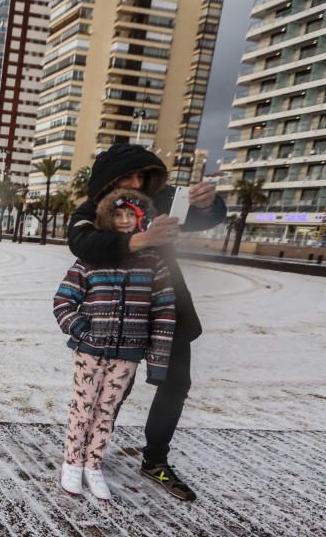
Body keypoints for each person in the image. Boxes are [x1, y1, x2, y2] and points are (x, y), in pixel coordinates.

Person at [67, 143, 226, 501]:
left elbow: (209, 216)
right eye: (127, 175)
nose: (136, 182)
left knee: (175, 384)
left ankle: (155, 460)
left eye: (141, 174)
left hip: (169, 312)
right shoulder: (92, 209)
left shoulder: (164, 199)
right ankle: (90, 455)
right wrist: (142, 239)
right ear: (107, 181)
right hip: (116, 316)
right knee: (110, 391)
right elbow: (81, 241)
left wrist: (206, 203)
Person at [54, 190, 176, 500]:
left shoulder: (154, 263)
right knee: (83, 407)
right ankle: (72, 464)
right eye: (117, 215)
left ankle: (93, 465)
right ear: (108, 218)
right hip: (90, 350)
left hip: (128, 353)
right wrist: (83, 331)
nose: (123, 220)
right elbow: (63, 300)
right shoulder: (90, 258)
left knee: (106, 410)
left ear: (141, 219)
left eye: (130, 215)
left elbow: (163, 312)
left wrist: (157, 361)